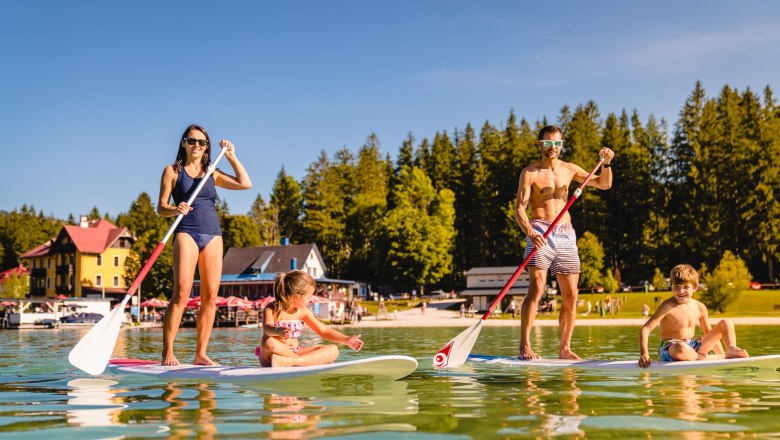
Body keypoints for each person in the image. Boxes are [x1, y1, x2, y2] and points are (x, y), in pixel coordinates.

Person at [514, 125, 614, 360]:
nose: (553, 148)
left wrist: (607, 164)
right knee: (537, 287)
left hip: (566, 233)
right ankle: (525, 345)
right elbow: (519, 208)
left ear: (561, 145)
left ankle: (565, 349)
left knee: (571, 294)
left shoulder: (570, 169)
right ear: (540, 145)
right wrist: (530, 232)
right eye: (548, 143)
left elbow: (604, 184)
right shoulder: (530, 173)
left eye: (557, 143)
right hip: (539, 231)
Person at [158, 124, 252, 366]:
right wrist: (174, 209)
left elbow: (245, 183)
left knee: (210, 296)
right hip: (186, 232)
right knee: (182, 293)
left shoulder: (212, 172)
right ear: (184, 143)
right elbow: (161, 208)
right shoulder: (172, 171)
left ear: (207, 147)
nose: (197, 145)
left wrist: (231, 156)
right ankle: (168, 351)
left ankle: (200, 354)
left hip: (212, 234)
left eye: (202, 142)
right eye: (192, 141)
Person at [639, 264, 748, 368]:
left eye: (686, 287)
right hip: (672, 348)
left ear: (695, 287)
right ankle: (706, 358)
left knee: (726, 323)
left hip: (692, 346)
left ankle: (731, 349)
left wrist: (722, 357)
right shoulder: (667, 306)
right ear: (671, 286)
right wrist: (644, 354)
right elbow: (645, 329)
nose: (681, 291)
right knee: (681, 347)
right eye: (676, 287)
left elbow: (709, 333)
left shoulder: (700, 307)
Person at [256, 270, 364, 367]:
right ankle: (306, 361)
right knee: (269, 342)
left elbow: (323, 330)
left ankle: (291, 361)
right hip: (272, 354)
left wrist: (346, 340)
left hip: (294, 353)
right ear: (296, 297)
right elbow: (266, 328)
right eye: (308, 297)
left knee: (333, 350)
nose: (311, 300)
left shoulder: (302, 311)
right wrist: (277, 330)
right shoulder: (272, 308)